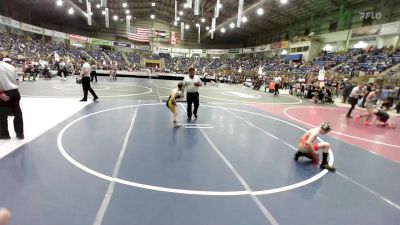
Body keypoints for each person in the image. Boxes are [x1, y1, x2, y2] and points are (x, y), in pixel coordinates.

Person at [0, 57, 24, 140]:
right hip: (15, 92)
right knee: (17, 113)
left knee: (2, 114)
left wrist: (1, 94)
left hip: (3, 93)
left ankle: (4, 134)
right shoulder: (11, 67)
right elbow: (17, 82)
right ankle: (20, 134)